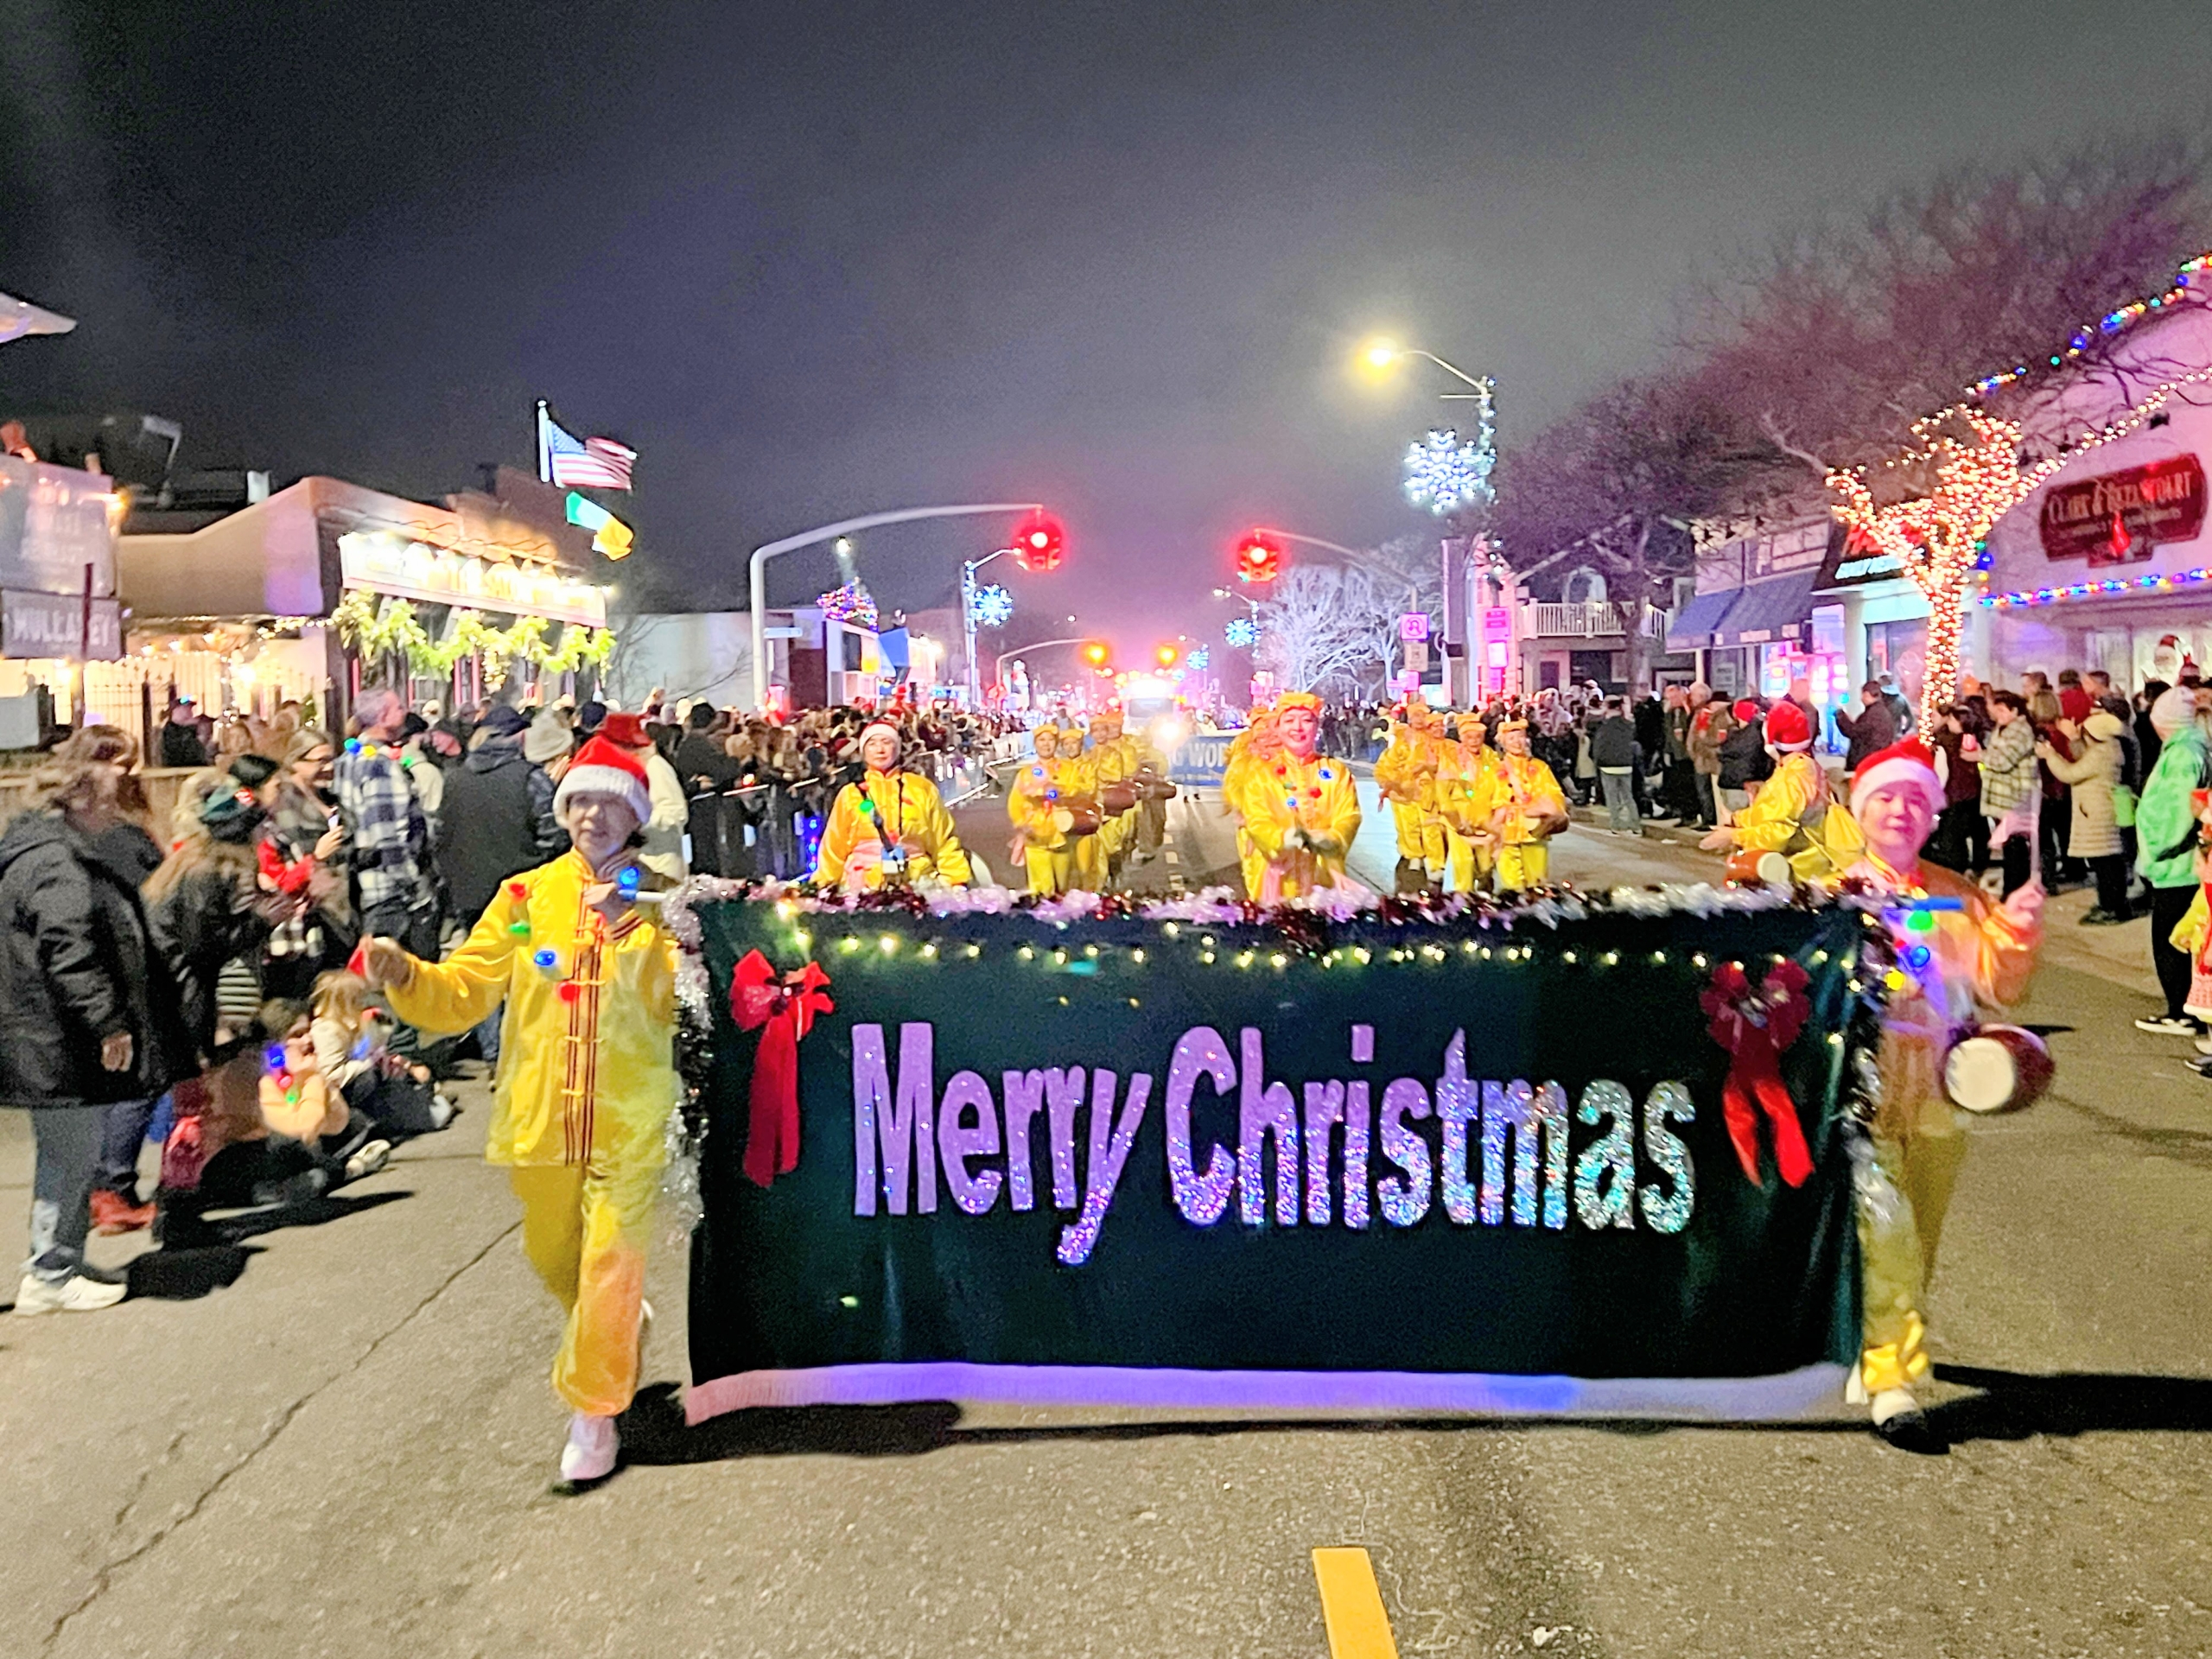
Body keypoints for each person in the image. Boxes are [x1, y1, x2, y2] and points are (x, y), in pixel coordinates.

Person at [359, 734, 680, 1484]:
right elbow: (465, 991)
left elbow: (676, 998)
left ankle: (593, 1415)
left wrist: (632, 922)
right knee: (555, 1259)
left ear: (634, 815)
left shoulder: (666, 894)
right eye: (581, 801)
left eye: (609, 803)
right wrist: (403, 971)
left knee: (609, 1262)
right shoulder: (525, 897)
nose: (593, 817)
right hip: (540, 1119)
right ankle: (614, 1331)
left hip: (629, 1118)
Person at [1840, 741, 2041, 1449]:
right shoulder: (1830, 895)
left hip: (1939, 1090)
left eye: (1916, 801)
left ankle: (1875, 1340)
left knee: (1919, 1236)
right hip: (1860, 1093)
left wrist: (2018, 927)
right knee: (1884, 1232)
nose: (1901, 811)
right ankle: (1893, 1379)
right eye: (1887, 799)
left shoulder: (1959, 893)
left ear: (1931, 817)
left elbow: (1999, 985)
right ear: (1862, 811)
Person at [0, 753, 195, 1312]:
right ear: (79, 800)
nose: (118, 807)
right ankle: (51, 1271)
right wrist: (108, 1022)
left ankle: (59, 1259)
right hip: (55, 1039)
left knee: (68, 1155)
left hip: (49, 1035)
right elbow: (69, 951)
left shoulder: (42, 852)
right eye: (110, 797)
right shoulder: (56, 863)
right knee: (70, 1156)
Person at [1699, 702, 1861, 880]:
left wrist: (1734, 836)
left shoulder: (1790, 779)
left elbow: (1778, 833)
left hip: (1797, 874)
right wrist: (1737, 819)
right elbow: (1772, 813)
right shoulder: (1805, 766)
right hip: (1813, 866)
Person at [334, 688, 439, 959]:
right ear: (382, 717)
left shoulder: (349, 758)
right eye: (399, 708)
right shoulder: (379, 765)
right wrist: (416, 891)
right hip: (389, 895)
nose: (405, 712)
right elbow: (389, 836)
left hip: (360, 886)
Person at [2132, 687, 2212, 1037]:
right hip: (2178, 864)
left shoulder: (2183, 754)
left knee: (2172, 941)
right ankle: (2186, 1009)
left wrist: (2157, 849)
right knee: (2179, 938)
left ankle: (2182, 1011)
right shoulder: (2186, 748)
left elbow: (2175, 811)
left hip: (2176, 866)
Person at [812, 720, 974, 891]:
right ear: (864, 751)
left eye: (886, 742)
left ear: (896, 748)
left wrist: (956, 879)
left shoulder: (921, 788)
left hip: (917, 884)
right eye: (872, 744)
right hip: (862, 886)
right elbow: (834, 845)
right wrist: (825, 884)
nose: (880, 750)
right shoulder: (851, 793)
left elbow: (943, 839)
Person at [1232, 691, 1361, 899]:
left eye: (1306, 720)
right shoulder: (1262, 773)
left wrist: (1333, 838)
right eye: (1289, 720)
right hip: (1277, 881)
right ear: (1279, 727)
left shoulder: (1336, 772)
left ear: (1316, 727)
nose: (1298, 728)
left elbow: (1350, 815)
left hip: (1323, 880)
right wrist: (1281, 838)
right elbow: (1257, 818)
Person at [310, 970, 454, 1137]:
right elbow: (333, 1074)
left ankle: (424, 1102)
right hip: (350, 1090)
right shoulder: (326, 1030)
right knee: (374, 1080)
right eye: (358, 998)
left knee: (410, 1075)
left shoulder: (351, 1022)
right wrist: (371, 1061)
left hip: (369, 1077)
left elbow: (367, 1049)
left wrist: (380, 1053)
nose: (363, 1002)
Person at [2039, 709, 2130, 924]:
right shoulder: (2108, 748)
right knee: (2107, 862)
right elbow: (2083, 756)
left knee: (2104, 864)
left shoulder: (2100, 754)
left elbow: (2070, 773)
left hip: (2096, 812)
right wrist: (2073, 739)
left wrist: (2050, 755)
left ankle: (2112, 907)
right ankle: (2113, 904)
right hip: (2099, 810)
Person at [1475, 717, 1567, 892]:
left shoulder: (1541, 768)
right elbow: (1481, 801)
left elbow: (1555, 794)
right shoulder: (1494, 771)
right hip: (1505, 834)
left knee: (1537, 882)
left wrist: (1544, 809)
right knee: (1511, 885)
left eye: (1521, 737)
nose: (1517, 742)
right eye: (1511, 738)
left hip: (1534, 831)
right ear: (1503, 743)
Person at [1008, 725, 1086, 897]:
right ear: (1035, 744)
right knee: (1041, 889)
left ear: (1056, 743)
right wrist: (1022, 824)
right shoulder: (1025, 773)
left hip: (1063, 834)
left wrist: (1056, 791)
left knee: (1065, 887)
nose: (1046, 744)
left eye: (1050, 740)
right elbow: (1016, 802)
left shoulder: (1068, 768)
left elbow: (1078, 791)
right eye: (1041, 740)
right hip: (1035, 835)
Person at [1976, 690, 2040, 898]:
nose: (1998, 714)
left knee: (2015, 843)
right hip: (2004, 793)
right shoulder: (2003, 728)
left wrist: (1981, 756)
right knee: (2010, 842)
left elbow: (2004, 760)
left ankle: (2015, 887)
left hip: (2015, 793)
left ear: (2014, 710)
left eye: (2002, 710)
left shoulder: (2020, 731)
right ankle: (2013, 885)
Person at [1589, 696, 1639, 836]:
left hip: (1608, 765)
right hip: (1626, 763)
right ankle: (1635, 825)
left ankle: (1616, 825)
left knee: (1612, 797)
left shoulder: (1604, 726)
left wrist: (1597, 761)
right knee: (1628, 796)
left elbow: (1599, 746)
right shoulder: (1629, 724)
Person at [1834, 681, 1900, 776]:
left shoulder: (1873, 714)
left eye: (1862, 695)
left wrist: (1841, 716)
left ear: (1866, 694)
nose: (1861, 699)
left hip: (1867, 762)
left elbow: (1853, 732)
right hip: (1877, 761)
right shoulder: (1881, 712)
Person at [159, 696, 209, 769]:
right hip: (177, 766)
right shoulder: (171, 730)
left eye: (190, 708)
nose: (189, 711)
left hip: (195, 765)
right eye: (186, 708)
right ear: (176, 711)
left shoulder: (196, 725)